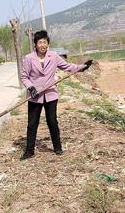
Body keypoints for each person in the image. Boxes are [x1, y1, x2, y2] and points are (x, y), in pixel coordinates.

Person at [20, 30, 92, 160]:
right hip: (35, 95)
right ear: (35, 44)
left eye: (45, 42)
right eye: (40, 42)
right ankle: (29, 151)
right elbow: (24, 77)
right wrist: (31, 88)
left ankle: (57, 147)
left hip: (51, 94)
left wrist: (82, 67)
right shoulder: (29, 58)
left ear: (48, 43)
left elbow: (67, 66)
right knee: (32, 123)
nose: (43, 45)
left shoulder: (53, 56)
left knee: (52, 121)